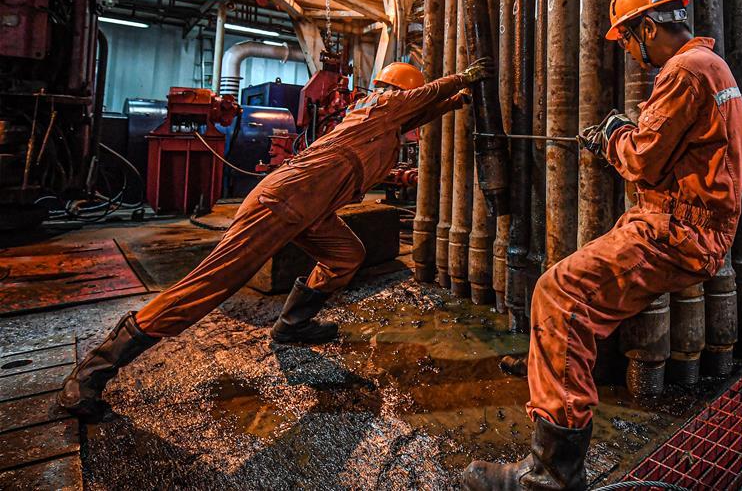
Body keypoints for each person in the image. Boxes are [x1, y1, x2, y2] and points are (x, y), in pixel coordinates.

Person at [59, 59, 491, 419]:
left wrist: (456, 101)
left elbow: (417, 113)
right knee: (208, 286)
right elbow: (416, 101)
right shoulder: (379, 105)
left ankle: (293, 324)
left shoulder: (384, 125)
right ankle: (94, 371)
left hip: (312, 210)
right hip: (280, 201)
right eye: (408, 96)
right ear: (396, 92)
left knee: (345, 255)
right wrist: (461, 78)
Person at [462, 0, 742, 490]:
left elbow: (642, 159)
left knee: (559, 294)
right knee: (577, 285)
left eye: (629, 40)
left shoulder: (684, 71)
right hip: (682, 222)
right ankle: (552, 371)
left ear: (646, 28)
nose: (633, 54)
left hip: (678, 232)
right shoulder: (712, 66)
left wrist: (615, 138)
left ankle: (551, 474)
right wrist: (624, 133)